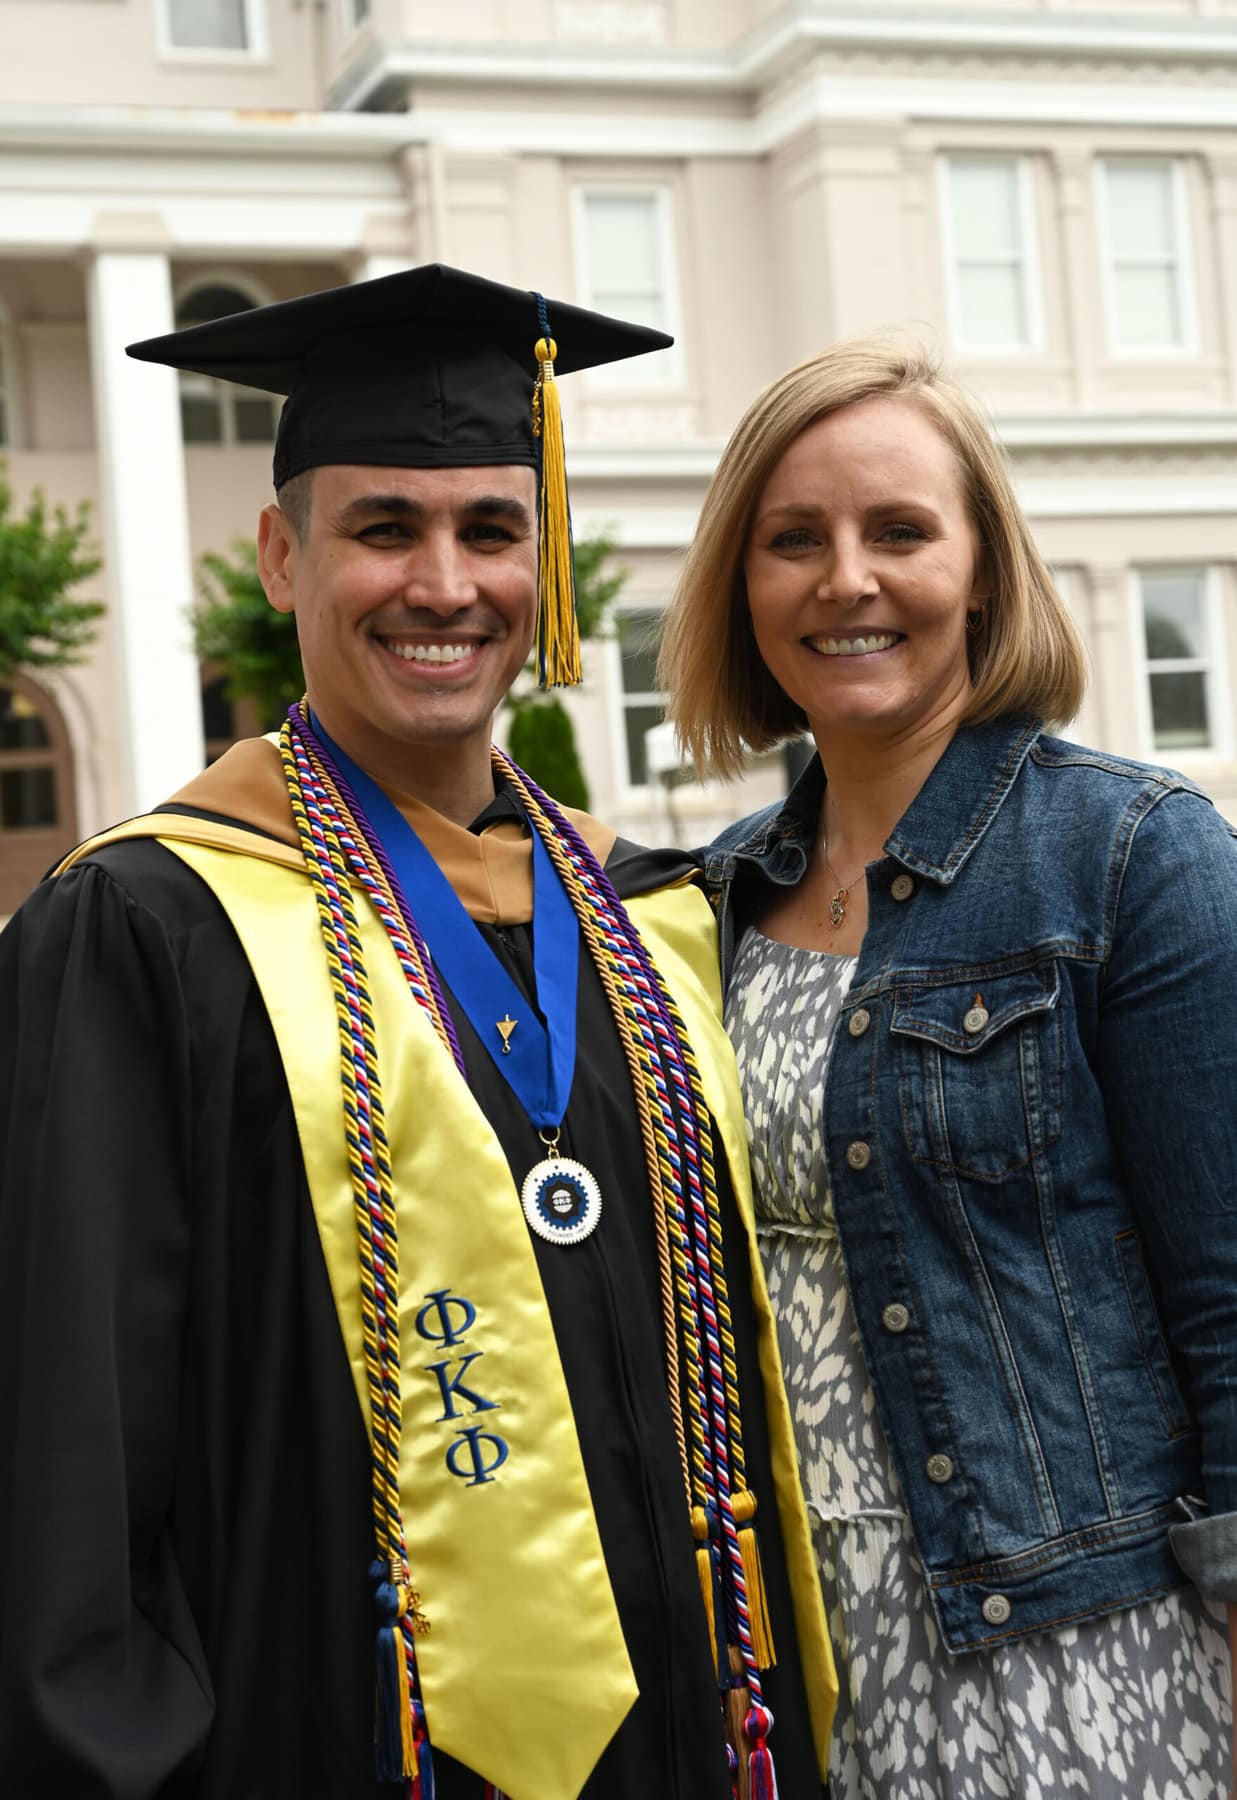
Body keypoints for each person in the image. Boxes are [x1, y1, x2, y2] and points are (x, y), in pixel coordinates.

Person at [0, 264, 836, 1800]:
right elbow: (64, 1469)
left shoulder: (655, 918)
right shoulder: (146, 932)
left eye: (490, 531)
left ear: (545, 564)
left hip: (700, 1745)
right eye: (384, 527)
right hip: (326, 1744)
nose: (444, 584)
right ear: (278, 554)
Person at [659, 334, 1237, 1799]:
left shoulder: (1129, 854)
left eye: (898, 530)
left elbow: (1230, 1299)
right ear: (743, 585)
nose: (843, 580)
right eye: (792, 540)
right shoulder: (703, 905)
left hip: (1068, 1644)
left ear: (982, 567)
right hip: (784, 1657)